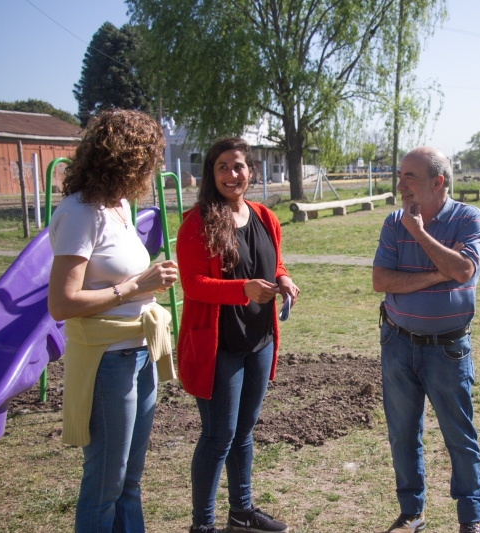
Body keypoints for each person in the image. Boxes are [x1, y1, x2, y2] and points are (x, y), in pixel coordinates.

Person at [47, 109, 179, 532]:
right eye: (148, 159)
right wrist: (135, 286)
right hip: (108, 361)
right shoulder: (80, 213)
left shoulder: (120, 205)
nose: (152, 168)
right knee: (106, 482)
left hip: (140, 353)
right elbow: (62, 303)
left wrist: (149, 281)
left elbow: (122, 275)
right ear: (124, 158)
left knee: (130, 481)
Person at [176, 137, 299, 533]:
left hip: (258, 340)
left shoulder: (265, 216)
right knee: (218, 437)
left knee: (243, 431)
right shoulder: (198, 222)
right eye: (223, 167)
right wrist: (242, 289)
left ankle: (241, 512)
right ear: (212, 174)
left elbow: (274, 261)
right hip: (219, 345)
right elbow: (193, 284)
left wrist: (284, 278)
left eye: (239, 166)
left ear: (251, 171)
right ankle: (203, 525)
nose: (233, 174)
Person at [373, 147, 480, 533]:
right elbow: (381, 281)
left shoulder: (469, 218)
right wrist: (438, 274)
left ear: (438, 182)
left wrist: (419, 234)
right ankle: (412, 514)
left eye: (410, 177)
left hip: (448, 349)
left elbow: (462, 268)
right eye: (400, 174)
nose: (400, 184)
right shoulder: (393, 222)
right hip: (398, 344)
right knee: (402, 434)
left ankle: (471, 519)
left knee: (460, 436)